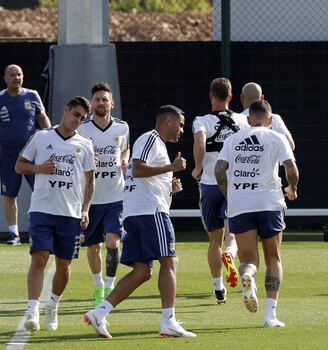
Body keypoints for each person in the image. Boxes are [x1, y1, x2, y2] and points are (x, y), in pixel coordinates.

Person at [83, 105, 196, 338]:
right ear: (168, 121)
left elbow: (142, 175)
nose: (182, 130)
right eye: (181, 124)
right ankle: (168, 321)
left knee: (143, 271)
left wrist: (168, 185)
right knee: (170, 262)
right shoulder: (151, 137)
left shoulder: (156, 144)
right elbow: (138, 168)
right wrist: (171, 168)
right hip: (149, 212)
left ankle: (100, 312)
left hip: (139, 212)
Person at [214, 100, 299, 328]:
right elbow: (291, 168)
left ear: (249, 119)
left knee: (249, 259)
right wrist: (292, 188)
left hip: (241, 205)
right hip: (269, 203)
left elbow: (219, 170)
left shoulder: (233, 139)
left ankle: (248, 275)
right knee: (273, 258)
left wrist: (229, 193)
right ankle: (270, 315)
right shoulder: (276, 137)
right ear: (270, 120)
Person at [15, 96, 96, 332]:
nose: (77, 121)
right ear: (66, 110)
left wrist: (85, 209)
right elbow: (19, 165)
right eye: (75, 115)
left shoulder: (85, 145)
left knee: (64, 266)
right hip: (42, 209)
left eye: (82, 118)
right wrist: (39, 168)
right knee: (39, 258)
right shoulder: (42, 137)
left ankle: (53, 305)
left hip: (70, 213)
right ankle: (32, 310)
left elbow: (90, 183)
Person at [191, 77, 249, 304]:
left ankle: (218, 287)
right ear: (231, 97)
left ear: (210, 96)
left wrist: (197, 167)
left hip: (209, 184)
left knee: (214, 239)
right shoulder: (241, 121)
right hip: (234, 184)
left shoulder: (201, 120)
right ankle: (230, 254)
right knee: (231, 233)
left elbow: (199, 143)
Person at [0, 64, 51, 245]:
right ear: (5, 78)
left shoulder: (32, 95)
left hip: (33, 154)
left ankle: (38, 231)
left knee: (41, 192)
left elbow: (43, 119)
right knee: (10, 194)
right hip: (9, 155)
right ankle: (14, 234)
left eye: (19, 74)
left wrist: (52, 142)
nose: (17, 78)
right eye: (12, 75)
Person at [79, 82, 130, 306]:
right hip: (91, 198)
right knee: (93, 246)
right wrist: (87, 160)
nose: (101, 103)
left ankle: (110, 286)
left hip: (115, 196)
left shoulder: (122, 127)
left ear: (112, 103)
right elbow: (74, 156)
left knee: (112, 241)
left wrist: (124, 159)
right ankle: (98, 284)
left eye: (105, 99)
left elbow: (124, 148)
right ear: (92, 104)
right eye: (97, 99)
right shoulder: (83, 129)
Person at [240, 82, 295, 150]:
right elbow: (290, 145)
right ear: (262, 98)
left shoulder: (236, 119)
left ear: (241, 97)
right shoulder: (275, 118)